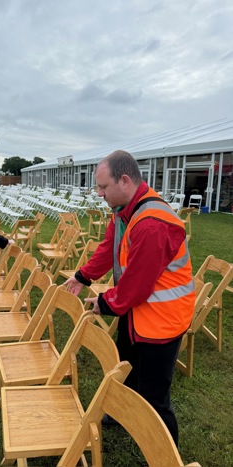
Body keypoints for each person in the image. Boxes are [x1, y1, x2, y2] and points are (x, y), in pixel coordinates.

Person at [64, 150, 195, 446]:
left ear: (124, 181)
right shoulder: (125, 211)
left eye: (103, 187)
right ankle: (125, 417)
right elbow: (108, 248)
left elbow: (136, 285)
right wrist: (82, 276)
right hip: (138, 315)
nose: (99, 194)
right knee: (128, 371)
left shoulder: (152, 223)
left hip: (161, 323)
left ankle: (166, 456)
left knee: (154, 398)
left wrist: (105, 303)